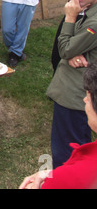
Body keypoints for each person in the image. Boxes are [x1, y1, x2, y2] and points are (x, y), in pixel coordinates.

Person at [46, 0, 97, 169]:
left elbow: (64, 49)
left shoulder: (93, 20)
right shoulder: (89, 9)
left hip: (75, 97)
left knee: (68, 155)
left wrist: (70, 17)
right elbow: (68, 49)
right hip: (76, 94)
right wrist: (72, 51)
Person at [19, 61, 97, 189]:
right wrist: (52, 174)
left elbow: (77, 178)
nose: (85, 99)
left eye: (89, 96)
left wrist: (56, 179)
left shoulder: (75, 177)